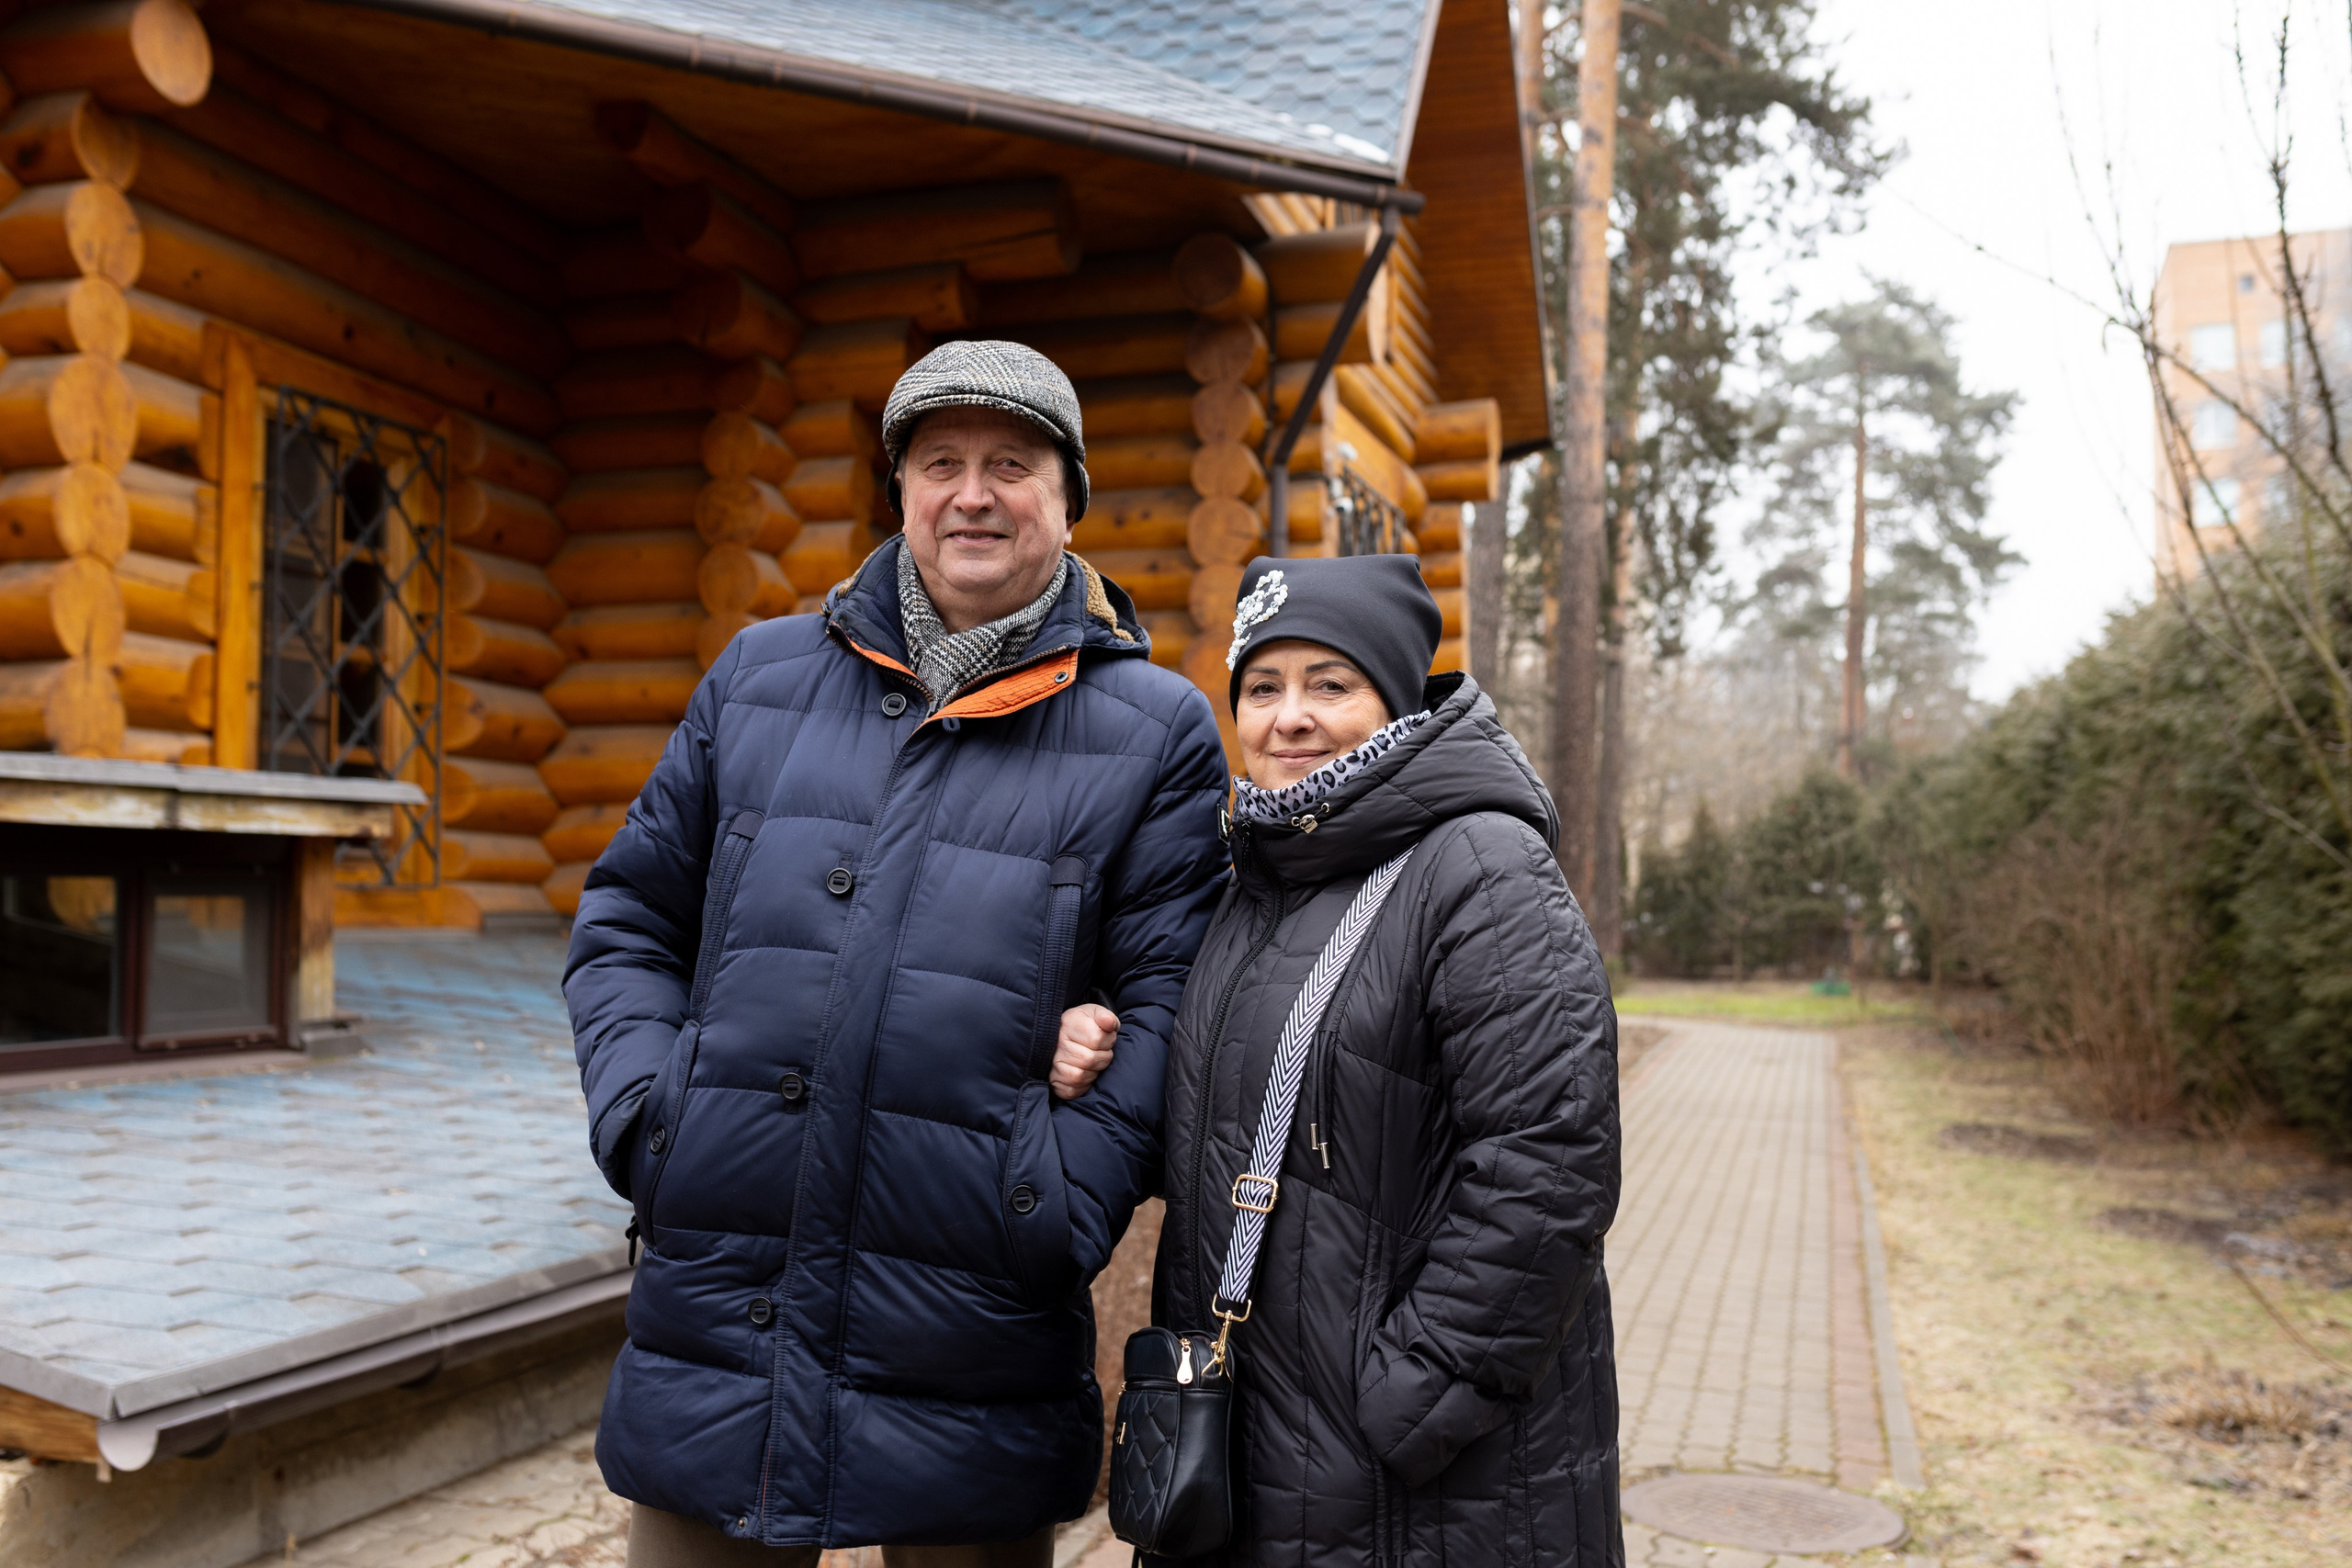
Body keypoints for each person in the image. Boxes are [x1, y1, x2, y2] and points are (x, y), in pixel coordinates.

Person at [566, 341, 1230, 1564]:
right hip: (724, 1311)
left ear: (1067, 495)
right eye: (941, 462)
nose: (972, 493)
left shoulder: (1156, 731)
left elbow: (1176, 997)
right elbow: (627, 919)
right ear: (903, 492)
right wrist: (647, 1116)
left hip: (973, 1322)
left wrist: (1059, 1196)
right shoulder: (759, 678)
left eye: (1010, 463)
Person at [1148, 554, 1623, 1565]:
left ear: (1397, 700)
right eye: (1263, 687)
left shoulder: (1478, 866)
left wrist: (1421, 1392)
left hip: (1423, 1486)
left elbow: (1550, 1162)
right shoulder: (1255, 887)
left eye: (1331, 683)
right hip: (1270, 1453)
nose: (1290, 718)